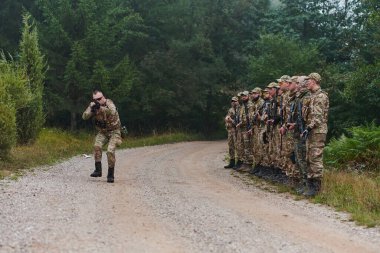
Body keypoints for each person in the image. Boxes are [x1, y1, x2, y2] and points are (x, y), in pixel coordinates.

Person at [82, 90, 122, 183]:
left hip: (114, 132)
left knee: (110, 151)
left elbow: (112, 112)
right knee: (97, 146)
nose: (98, 101)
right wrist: (91, 108)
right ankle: (98, 170)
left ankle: (110, 174)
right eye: (95, 100)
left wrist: (101, 108)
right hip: (103, 132)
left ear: (103, 97)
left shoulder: (109, 103)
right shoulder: (94, 106)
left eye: (99, 99)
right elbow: (84, 116)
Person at [303, 73, 329, 196]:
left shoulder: (321, 96)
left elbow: (318, 117)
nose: (306, 83)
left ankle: (316, 188)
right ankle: (310, 185)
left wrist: (308, 127)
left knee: (315, 157)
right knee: (309, 157)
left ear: (314, 81)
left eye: (308, 80)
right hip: (311, 130)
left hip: (317, 131)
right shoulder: (311, 96)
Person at [224, 96, 239, 168]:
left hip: (236, 130)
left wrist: (231, 120)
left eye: (235, 101)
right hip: (230, 130)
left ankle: (239, 161)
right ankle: (232, 161)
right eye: (232, 101)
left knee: (237, 145)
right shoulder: (230, 110)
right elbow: (227, 118)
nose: (233, 102)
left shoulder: (239, 109)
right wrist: (227, 119)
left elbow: (238, 121)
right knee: (230, 146)